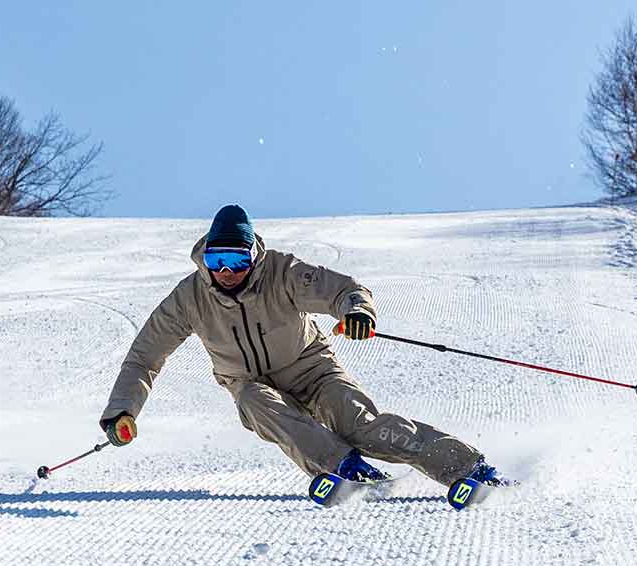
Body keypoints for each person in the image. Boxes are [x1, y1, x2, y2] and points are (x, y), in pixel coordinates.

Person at [98, 204, 503, 489]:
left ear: (253, 257)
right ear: (204, 258)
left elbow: (344, 290)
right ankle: (341, 467)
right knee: (254, 401)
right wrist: (122, 411)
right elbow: (144, 356)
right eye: (217, 259)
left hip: (312, 370)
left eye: (236, 261)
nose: (225, 272)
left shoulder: (283, 272)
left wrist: (357, 311)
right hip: (249, 382)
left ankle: (466, 466)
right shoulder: (189, 298)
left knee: (360, 425)